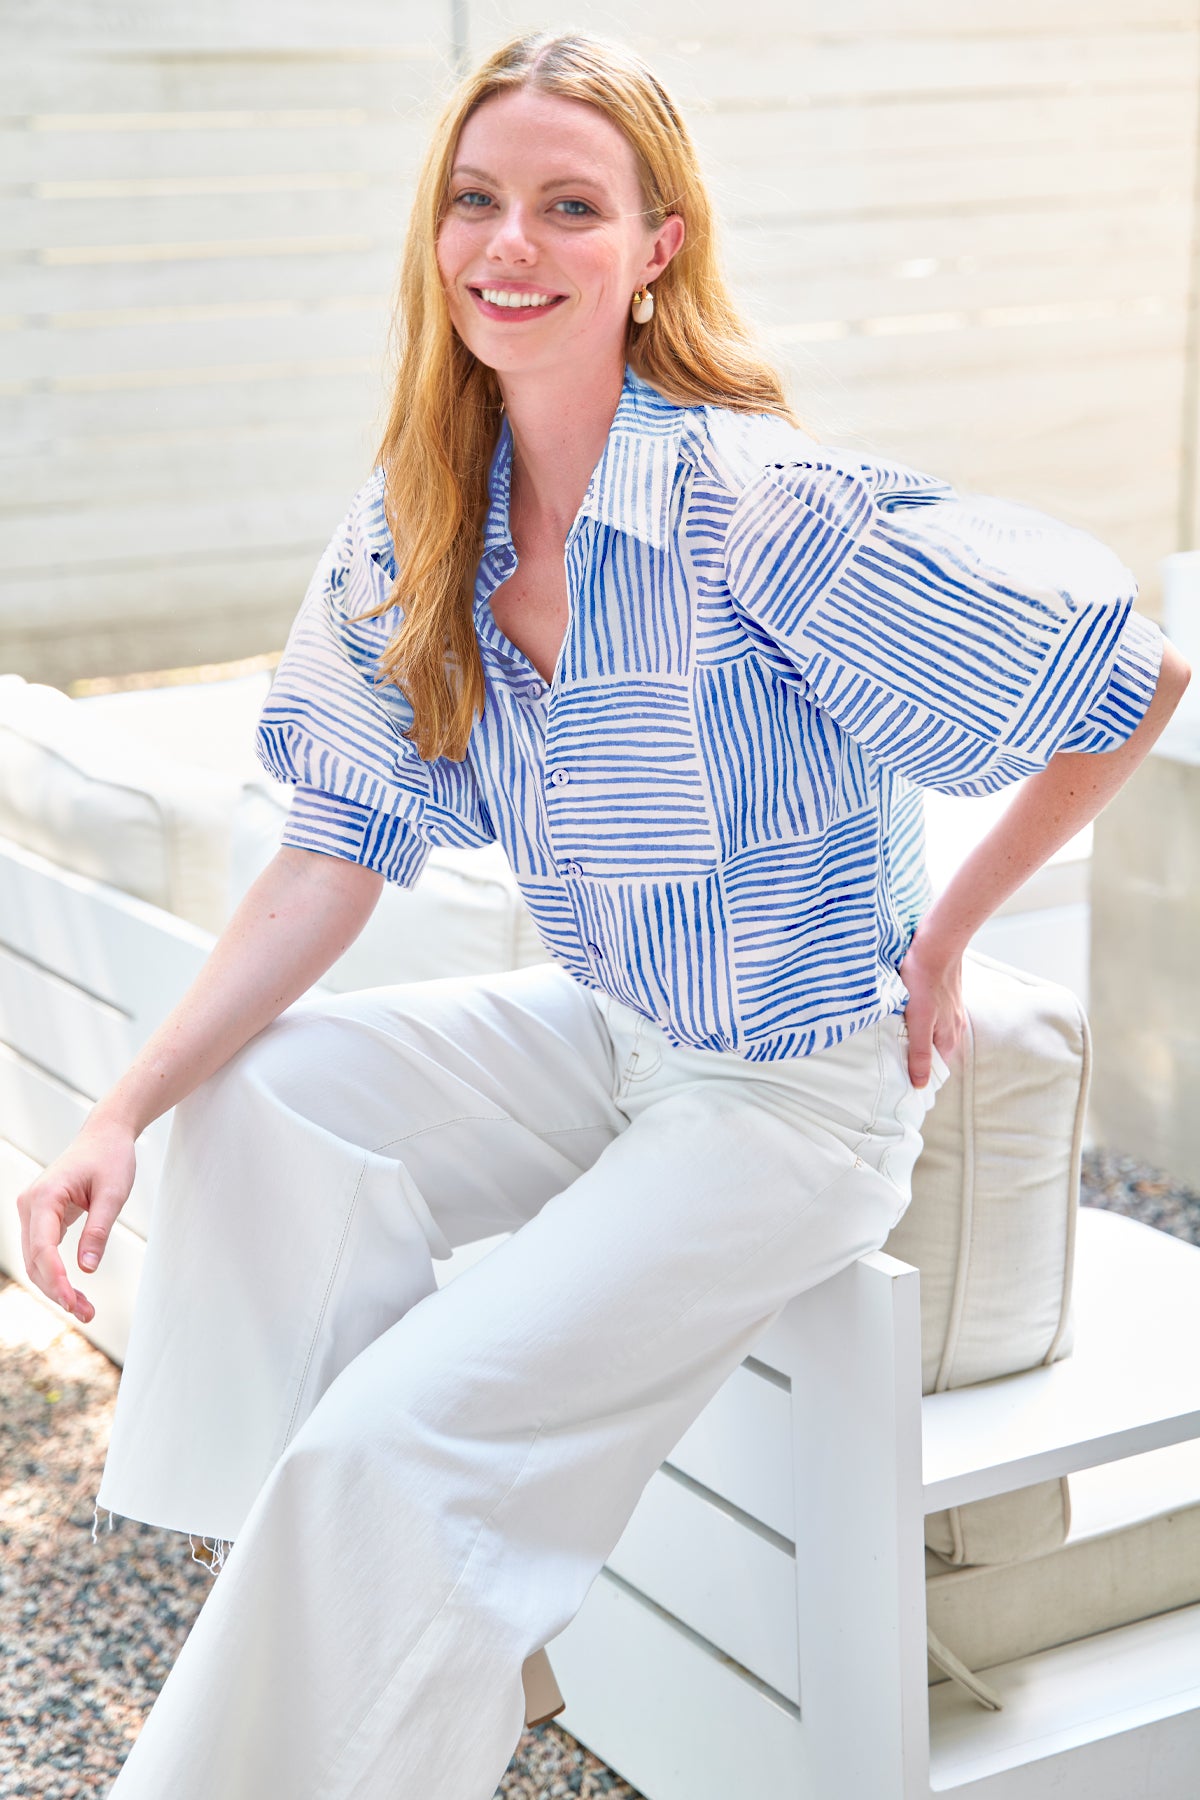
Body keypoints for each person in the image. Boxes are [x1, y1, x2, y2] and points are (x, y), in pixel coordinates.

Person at [17, 27, 1191, 1800]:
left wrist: (944, 937)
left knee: (385, 1451)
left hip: (792, 1100)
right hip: (608, 1035)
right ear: (436, 240)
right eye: (475, 201)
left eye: (571, 205)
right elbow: (329, 852)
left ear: (656, 248)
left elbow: (1131, 675)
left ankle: (337, 1629)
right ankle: (407, 1621)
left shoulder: (761, 508)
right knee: (250, 1098)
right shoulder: (423, 528)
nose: (512, 242)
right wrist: (118, 1110)